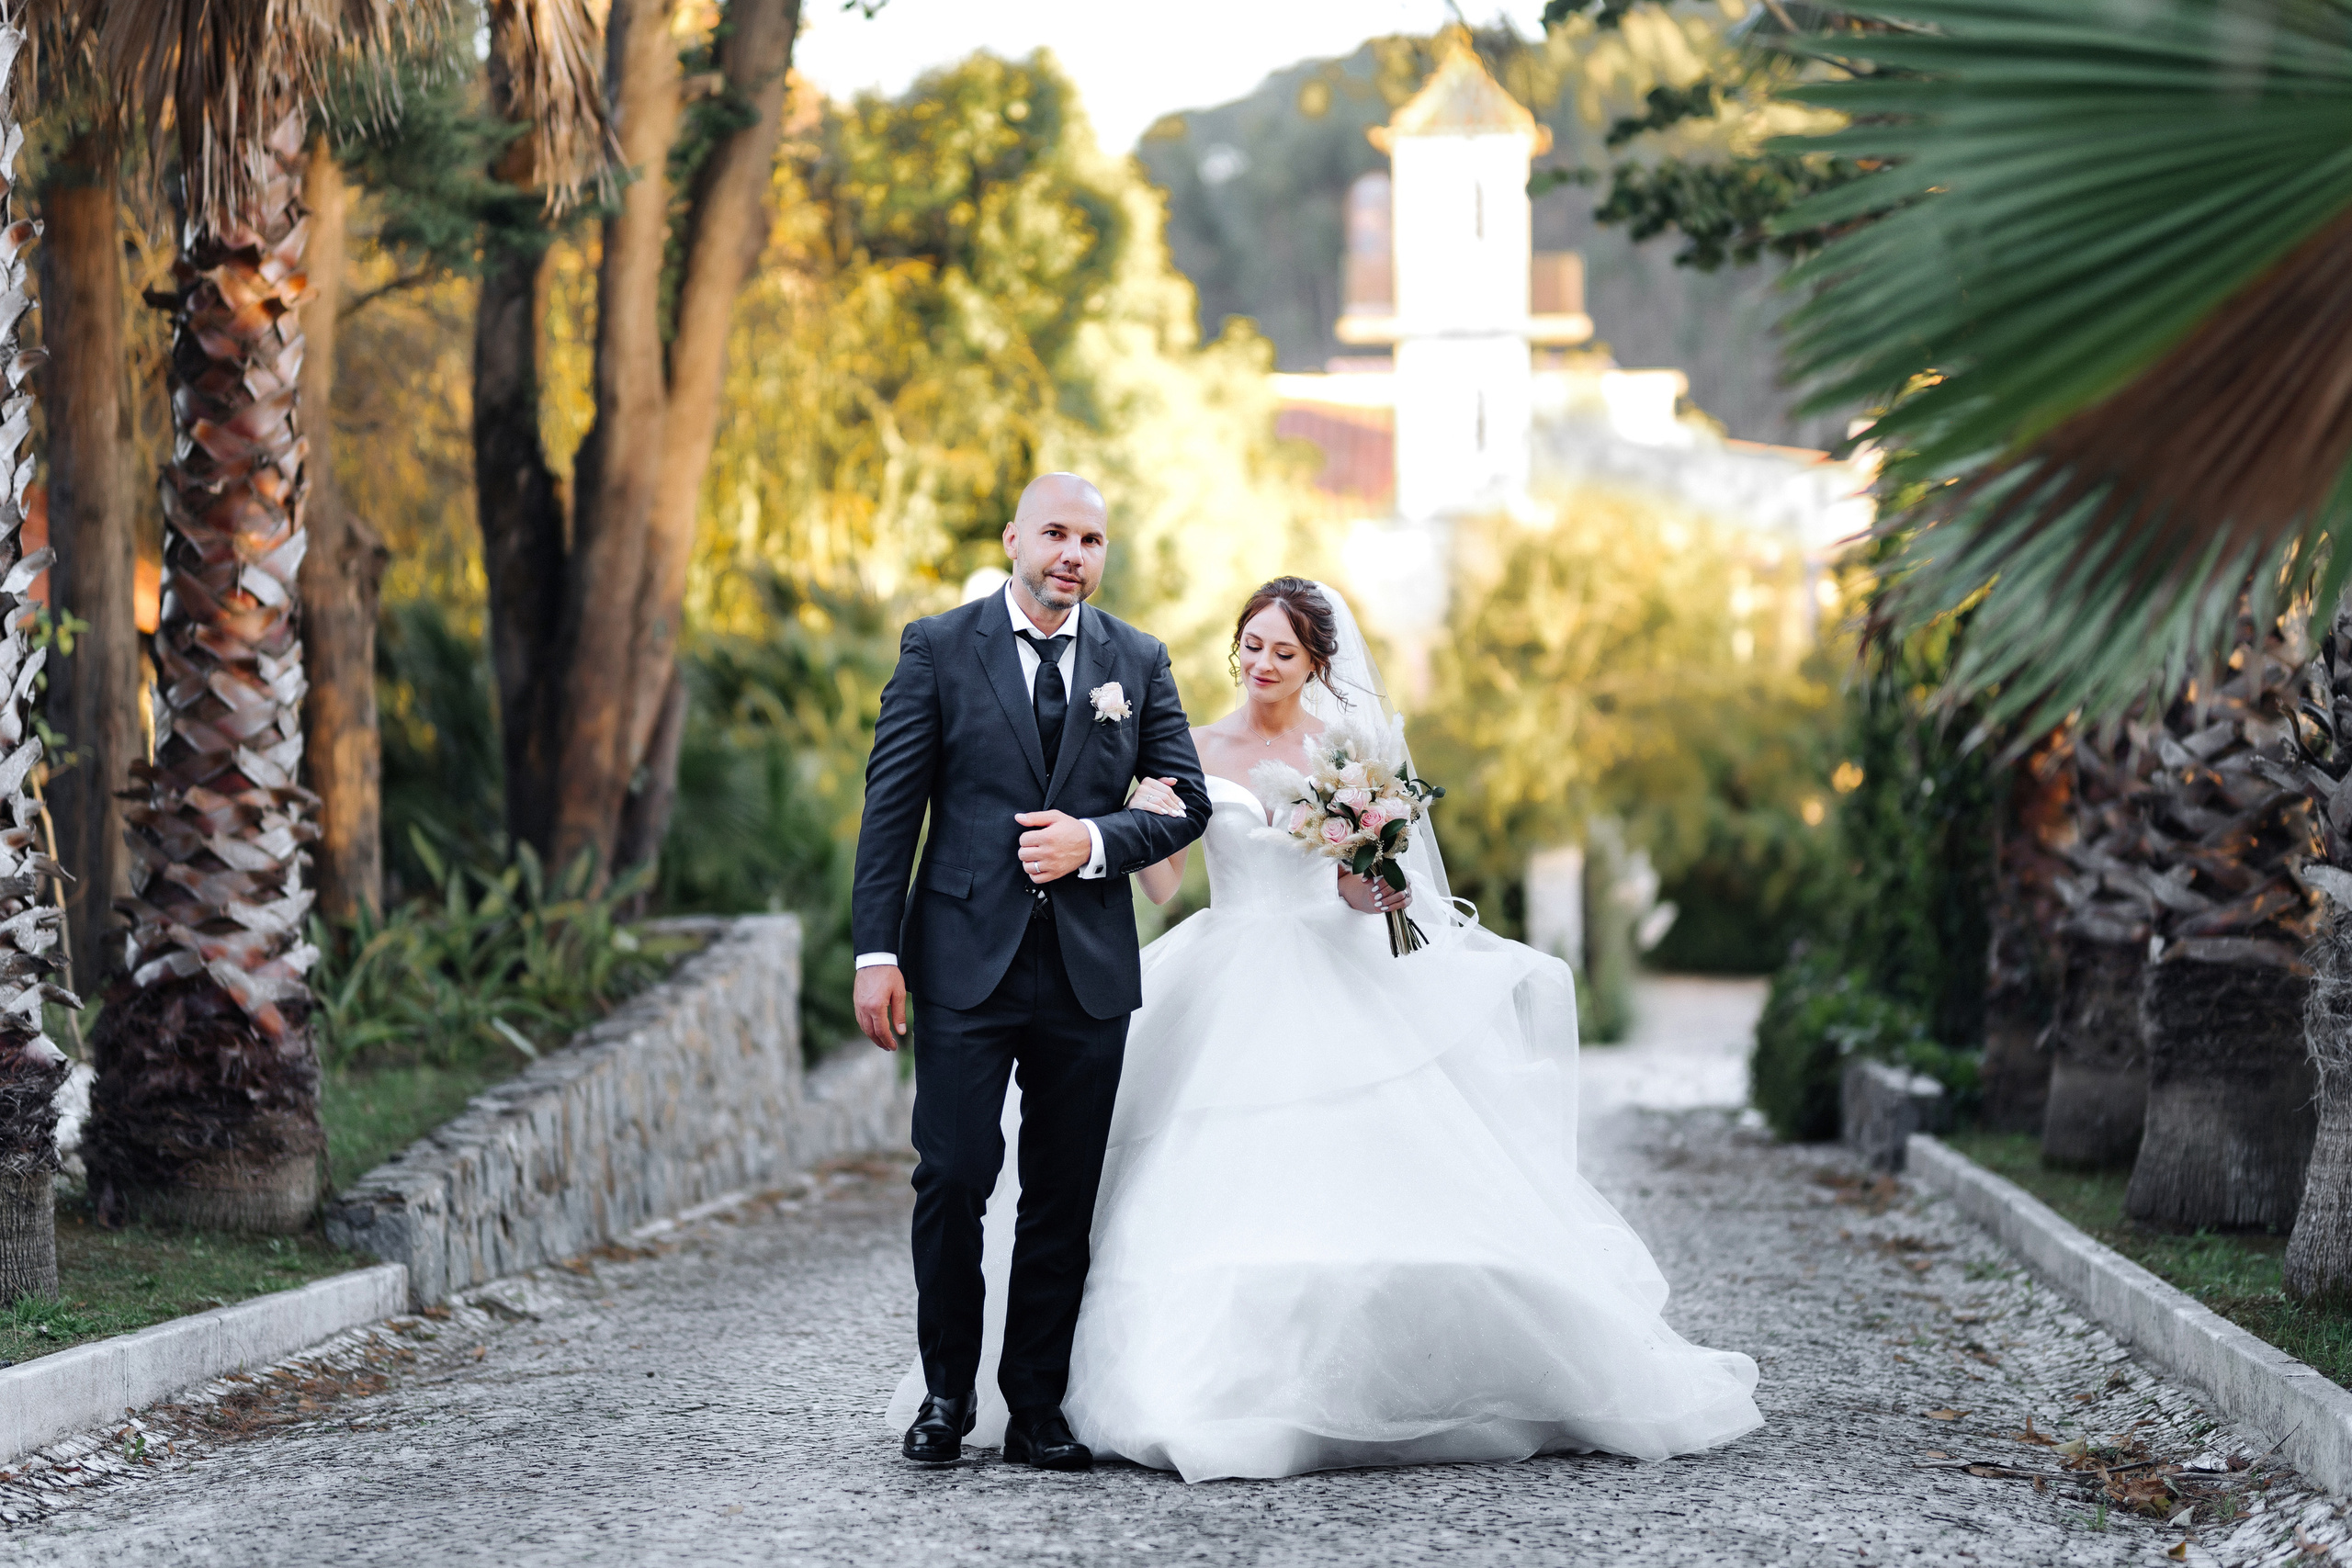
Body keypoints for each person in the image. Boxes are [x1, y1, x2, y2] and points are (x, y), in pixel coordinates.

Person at [887, 577, 1763, 1481]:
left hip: (1328, 968)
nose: (1262, 665)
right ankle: (1107, 1387)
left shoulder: (1348, 751)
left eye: (1283, 652)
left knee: (1368, 1169)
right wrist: (1137, 806)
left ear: (1316, 663)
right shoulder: (1188, 744)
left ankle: (1393, 1378)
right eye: (1251, 647)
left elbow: (1356, 891)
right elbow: (1162, 884)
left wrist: (1373, 865)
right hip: (1223, 964)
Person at [852, 473, 1211, 1472]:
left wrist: (1094, 841)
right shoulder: (936, 647)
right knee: (955, 1178)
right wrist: (876, 952)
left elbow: (1185, 802)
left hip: (1088, 972)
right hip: (964, 964)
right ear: (1014, 537)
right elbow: (892, 812)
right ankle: (943, 1396)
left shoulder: (1136, 660)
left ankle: (1037, 1408)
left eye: (1091, 540)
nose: (1073, 555)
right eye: (1056, 533)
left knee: (1061, 1194)